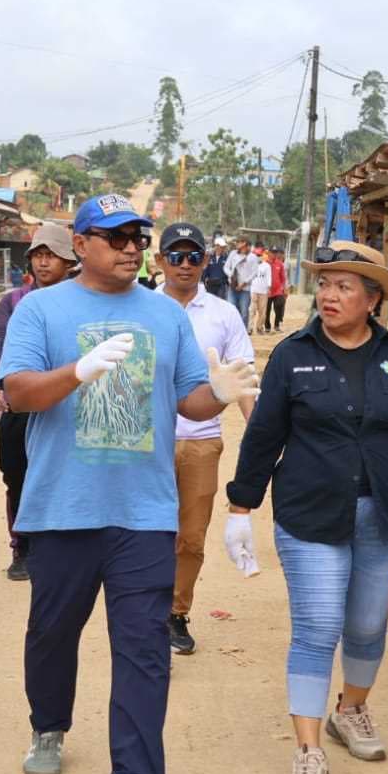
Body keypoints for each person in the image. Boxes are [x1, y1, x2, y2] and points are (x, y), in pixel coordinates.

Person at [0, 193, 259, 774]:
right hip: (62, 508)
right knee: (52, 632)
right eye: (113, 237)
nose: (129, 248)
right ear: (78, 244)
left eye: (136, 237)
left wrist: (218, 394)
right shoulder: (42, 308)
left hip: (143, 513)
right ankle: (48, 726)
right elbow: (17, 391)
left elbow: (190, 400)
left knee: (144, 650)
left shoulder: (163, 316)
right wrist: (78, 370)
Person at [226, 240, 388, 774]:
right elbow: (264, 435)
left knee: (368, 625)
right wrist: (240, 507)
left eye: (343, 286)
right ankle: (308, 750)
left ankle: (349, 710)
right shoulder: (292, 355)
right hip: (309, 513)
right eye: (325, 284)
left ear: (372, 298)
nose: (328, 294)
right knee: (318, 627)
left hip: (379, 515)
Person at [156, 223, 254, 655]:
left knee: (190, 537)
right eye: (175, 256)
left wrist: (261, 436)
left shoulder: (224, 314)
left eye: (194, 256)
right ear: (159, 261)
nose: (185, 264)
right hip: (148, 442)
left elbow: (243, 379)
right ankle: (145, 614)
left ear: (206, 261)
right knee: (147, 534)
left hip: (201, 442)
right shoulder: (141, 308)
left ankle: (176, 614)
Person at [0, 223, 75, 581]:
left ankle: (60, 545)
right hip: (19, 405)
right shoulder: (13, 302)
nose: (43, 262)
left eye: (50, 255)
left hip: (65, 405)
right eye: (38, 255)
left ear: (68, 260)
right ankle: (21, 546)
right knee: (17, 476)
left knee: (64, 475)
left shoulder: (80, 300)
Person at [223, 237, 258, 329]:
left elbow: (254, 273)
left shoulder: (252, 257)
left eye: (239, 242)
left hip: (245, 289)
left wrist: (244, 283)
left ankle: (243, 332)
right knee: (231, 309)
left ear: (245, 243)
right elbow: (226, 267)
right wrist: (231, 275)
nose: (237, 244)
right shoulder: (233, 254)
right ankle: (231, 331)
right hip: (232, 287)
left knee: (244, 312)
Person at [249, 241, 272, 335]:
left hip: (263, 291)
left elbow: (269, 277)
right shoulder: (251, 264)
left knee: (262, 312)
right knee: (252, 310)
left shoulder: (267, 266)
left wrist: (269, 288)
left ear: (262, 255)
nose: (258, 257)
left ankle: (259, 327)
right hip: (253, 290)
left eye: (259, 255)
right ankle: (249, 328)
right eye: (256, 255)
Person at [267, 246, 289, 333]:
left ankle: (277, 325)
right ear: (269, 253)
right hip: (267, 291)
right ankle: (267, 326)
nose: (274, 254)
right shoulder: (265, 263)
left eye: (275, 252)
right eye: (273, 252)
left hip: (278, 290)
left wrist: (283, 288)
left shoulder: (279, 264)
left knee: (279, 305)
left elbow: (283, 278)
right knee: (267, 309)